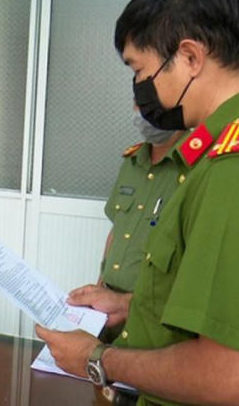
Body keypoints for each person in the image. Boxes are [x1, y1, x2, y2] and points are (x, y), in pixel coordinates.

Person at [36, 0, 239, 405]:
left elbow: (234, 377)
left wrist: (95, 358)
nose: (140, 88)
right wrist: (131, 306)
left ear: (190, 57)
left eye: (141, 69)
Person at [92, 120, 183, 341]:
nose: (141, 110)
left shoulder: (194, 167)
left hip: (152, 312)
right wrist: (100, 284)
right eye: (137, 103)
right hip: (107, 304)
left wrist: (128, 303)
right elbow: (118, 229)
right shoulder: (132, 162)